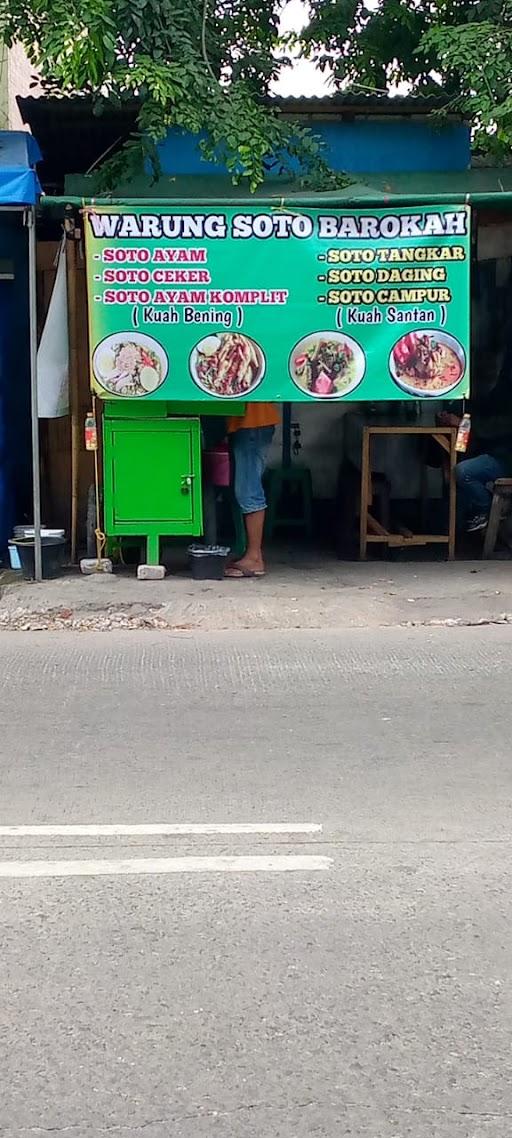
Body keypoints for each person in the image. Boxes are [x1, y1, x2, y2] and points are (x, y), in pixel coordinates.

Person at [442, 365, 512, 532]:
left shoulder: (505, 395)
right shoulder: (494, 393)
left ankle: (487, 509)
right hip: (494, 455)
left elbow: (493, 426)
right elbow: (478, 413)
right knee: (453, 466)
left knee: (463, 471)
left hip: (505, 460)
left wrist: (461, 423)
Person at [224, 403, 279, 578]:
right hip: (250, 423)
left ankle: (255, 557)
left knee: (248, 490)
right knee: (245, 489)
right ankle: (250, 554)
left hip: (252, 423)